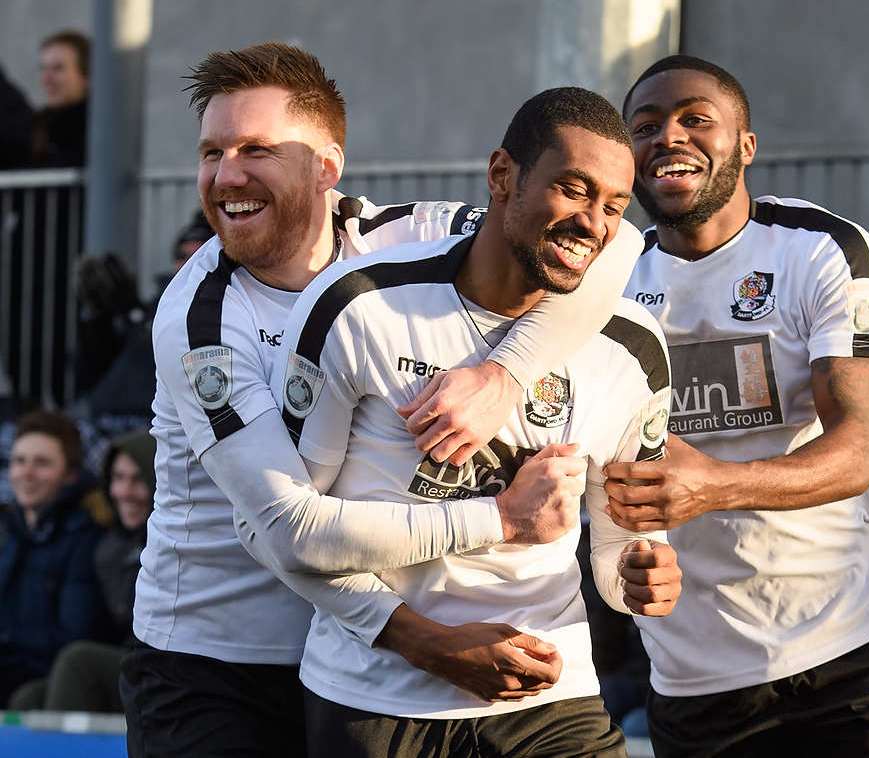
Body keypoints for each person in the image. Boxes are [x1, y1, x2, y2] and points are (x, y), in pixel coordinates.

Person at [120, 42, 643, 758]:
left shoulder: (407, 234)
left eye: (256, 150)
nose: (225, 175)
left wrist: (507, 375)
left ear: (326, 167)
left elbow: (613, 246)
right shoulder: (198, 318)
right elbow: (285, 529)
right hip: (219, 664)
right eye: (212, 152)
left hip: (344, 662)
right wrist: (427, 632)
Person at [241, 84, 680, 758]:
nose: (592, 222)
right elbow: (285, 533)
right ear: (501, 175)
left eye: (612, 206)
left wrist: (640, 578)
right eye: (572, 189)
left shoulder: (634, 348)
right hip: (377, 701)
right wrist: (424, 637)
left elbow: (618, 551)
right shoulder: (359, 307)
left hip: (550, 701)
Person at [604, 55, 869, 756]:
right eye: (645, 126)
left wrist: (712, 486)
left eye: (694, 119)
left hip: (851, 651)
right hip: (692, 679)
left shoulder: (817, 250)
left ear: (745, 146)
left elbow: (858, 449)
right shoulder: (605, 282)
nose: (667, 137)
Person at [9, 428, 155, 712]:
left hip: (169, 668)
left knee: (78, 662)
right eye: (118, 478)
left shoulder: (179, 545)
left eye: (138, 480)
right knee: (29, 698)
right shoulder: (111, 547)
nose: (124, 492)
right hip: (127, 664)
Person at [0, 410, 104, 706]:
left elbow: (74, 635)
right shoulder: (8, 530)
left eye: (41, 463)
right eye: (19, 461)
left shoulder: (86, 537)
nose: (26, 473)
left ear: (70, 475)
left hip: (45, 676)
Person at [32, 30, 90, 168]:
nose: (46, 79)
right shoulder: (38, 123)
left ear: (87, 76)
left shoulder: (98, 126)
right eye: (43, 69)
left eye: (58, 69)